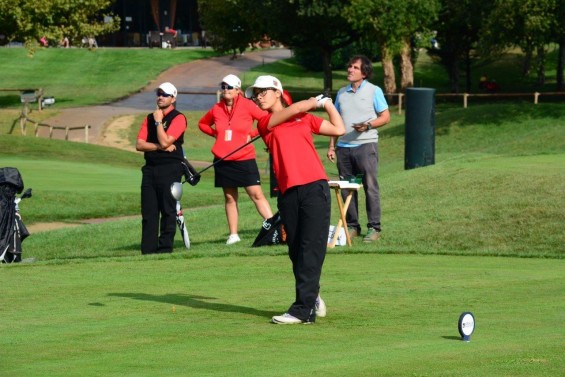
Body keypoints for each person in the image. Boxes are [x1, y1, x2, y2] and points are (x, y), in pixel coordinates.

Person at [245, 75, 345, 324]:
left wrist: (328, 104)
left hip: (314, 188)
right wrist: (313, 101)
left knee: (310, 247)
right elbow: (298, 107)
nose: (259, 96)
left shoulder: (305, 119)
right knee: (295, 250)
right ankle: (313, 295)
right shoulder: (266, 123)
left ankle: (303, 310)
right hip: (288, 193)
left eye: (263, 91)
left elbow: (339, 129)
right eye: (256, 93)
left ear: (277, 92)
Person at [198, 74, 273, 245]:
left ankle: (273, 224)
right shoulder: (217, 108)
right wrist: (216, 134)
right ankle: (233, 234)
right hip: (222, 158)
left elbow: (266, 120)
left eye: (229, 87)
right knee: (230, 197)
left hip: (244, 157)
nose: (226, 90)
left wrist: (252, 134)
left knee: (256, 194)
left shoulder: (248, 105)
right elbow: (202, 124)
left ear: (238, 90)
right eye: (223, 86)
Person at [327, 55, 390, 243]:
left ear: (364, 72)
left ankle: (374, 228)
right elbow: (335, 121)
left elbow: (385, 116)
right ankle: (352, 226)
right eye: (349, 66)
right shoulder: (341, 93)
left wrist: (368, 125)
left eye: (355, 67)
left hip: (366, 146)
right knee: (347, 189)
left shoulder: (374, 91)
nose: (350, 70)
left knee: (370, 187)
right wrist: (332, 146)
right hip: (343, 149)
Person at [135, 82, 187, 254]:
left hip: (170, 168)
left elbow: (167, 141)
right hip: (150, 169)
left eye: (165, 94)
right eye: (159, 93)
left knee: (168, 209)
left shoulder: (178, 118)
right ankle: (148, 250)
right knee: (149, 212)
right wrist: (158, 147)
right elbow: (140, 144)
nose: (160, 97)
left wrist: (159, 123)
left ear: (173, 98)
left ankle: (165, 248)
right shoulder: (149, 118)